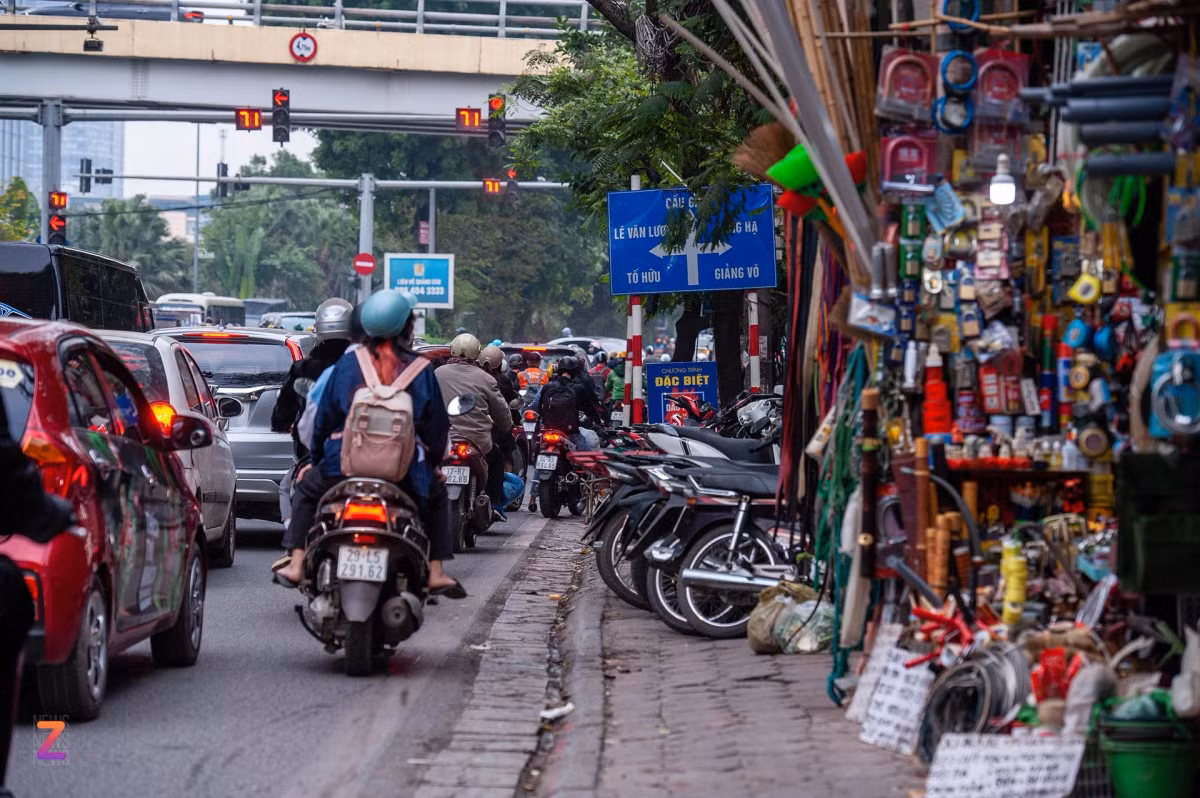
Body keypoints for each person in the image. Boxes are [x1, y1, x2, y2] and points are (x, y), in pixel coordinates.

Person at [272, 289, 464, 598]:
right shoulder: (421, 369)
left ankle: (296, 562)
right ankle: (437, 572)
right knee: (438, 495)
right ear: (406, 328)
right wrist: (432, 466)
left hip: (342, 467)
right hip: (405, 473)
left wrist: (318, 459)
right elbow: (436, 430)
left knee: (306, 491)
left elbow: (322, 420)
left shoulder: (347, 366)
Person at [270, 298, 356, 533]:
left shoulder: (305, 369)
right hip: (363, 457)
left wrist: (284, 423)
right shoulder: (364, 367)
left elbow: (284, 414)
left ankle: (294, 545)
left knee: (287, 487)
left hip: (315, 457)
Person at [435, 334, 513, 518]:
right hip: (477, 441)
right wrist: (504, 426)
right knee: (496, 459)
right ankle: (494, 504)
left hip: (442, 438)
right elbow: (503, 417)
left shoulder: (438, 374)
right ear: (476, 354)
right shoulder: (486, 379)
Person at [537, 355, 603, 452]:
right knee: (588, 458)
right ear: (574, 372)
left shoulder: (548, 387)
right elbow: (589, 408)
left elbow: (540, 408)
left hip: (549, 430)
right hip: (571, 432)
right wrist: (598, 421)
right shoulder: (578, 388)